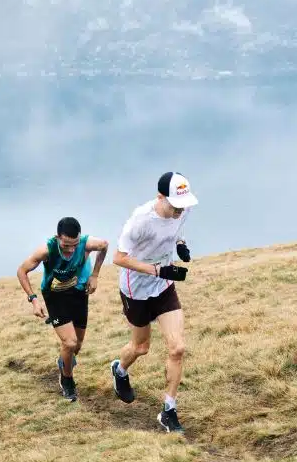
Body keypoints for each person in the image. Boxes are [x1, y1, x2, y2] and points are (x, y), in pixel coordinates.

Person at [110, 171, 198, 434]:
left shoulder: (183, 209)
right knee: (141, 347)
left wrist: (180, 244)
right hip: (136, 289)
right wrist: (155, 270)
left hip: (164, 286)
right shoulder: (140, 221)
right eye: (175, 205)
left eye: (184, 204)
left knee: (178, 348)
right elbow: (119, 258)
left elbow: (176, 229)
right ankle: (120, 370)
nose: (181, 210)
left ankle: (168, 411)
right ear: (161, 197)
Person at [16, 216, 108, 402]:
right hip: (55, 295)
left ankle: (63, 362)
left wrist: (95, 274)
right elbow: (22, 271)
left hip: (79, 293)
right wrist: (33, 300)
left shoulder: (87, 243)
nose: (71, 249)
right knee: (70, 343)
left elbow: (105, 245)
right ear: (58, 237)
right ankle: (67, 379)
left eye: (74, 244)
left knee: (78, 345)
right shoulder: (46, 250)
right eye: (66, 245)